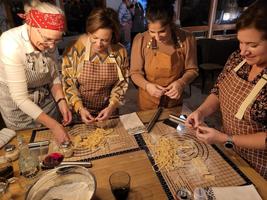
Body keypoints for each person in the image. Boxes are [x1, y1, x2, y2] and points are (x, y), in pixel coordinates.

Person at [185, 0, 267, 179]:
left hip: (260, 166)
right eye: (240, 42)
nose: (244, 51)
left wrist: (225, 139)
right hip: (231, 151)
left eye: (252, 45)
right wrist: (201, 112)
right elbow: (218, 91)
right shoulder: (237, 59)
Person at [0, 0, 72, 143]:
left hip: (45, 99)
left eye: (56, 41)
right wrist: (53, 125)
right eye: (47, 39)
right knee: (29, 146)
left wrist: (61, 100)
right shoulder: (10, 43)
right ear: (31, 26)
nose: (51, 46)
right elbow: (20, 98)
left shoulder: (50, 39)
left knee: (54, 145)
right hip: (18, 107)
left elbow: (53, 75)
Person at [62, 8, 129, 124]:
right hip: (80, 112)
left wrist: (112, 106)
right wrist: (79, 108)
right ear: (89, 32)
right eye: (94, 38)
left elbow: (121, 83)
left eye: (105, 40)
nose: (99, 44)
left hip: (109, 112)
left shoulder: (119, 51)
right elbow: (68, 83)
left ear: (113, 36)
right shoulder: (74, 49)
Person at [130, 0, 198, 110]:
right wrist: (147, 86)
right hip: (148, 99)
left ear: (171, 23)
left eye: (162, 31)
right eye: (152, 32)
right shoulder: (141, 40)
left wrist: (181, 83)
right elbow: (134, 73)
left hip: (174, 99)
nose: (157, 37)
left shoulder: (187, 39)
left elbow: (192, 70)